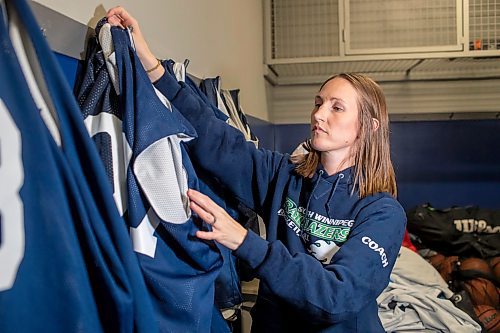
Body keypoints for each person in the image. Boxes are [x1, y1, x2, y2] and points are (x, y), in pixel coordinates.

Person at [107, 7, 407, 332]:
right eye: (318, 102)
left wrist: (243, 241)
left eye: (337, 107)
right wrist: (153, 69)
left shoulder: (383, 213)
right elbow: (218, 142)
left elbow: (337, 296)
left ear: (368, 126)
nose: (319, 114)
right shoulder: (284, 175)